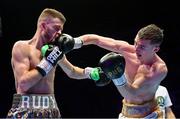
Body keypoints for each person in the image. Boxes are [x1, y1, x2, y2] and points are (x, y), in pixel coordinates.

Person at [7, 8, 110, 118]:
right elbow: (23, 84)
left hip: (51, 109)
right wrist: (49, 61)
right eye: (56, 28)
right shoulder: (22, 47)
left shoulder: (55, 50)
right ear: (43, 26)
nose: (59, 33)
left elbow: (72, 71)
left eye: (61, 30)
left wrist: (90, 73)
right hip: (25, 109)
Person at [60, 24, 176, 118]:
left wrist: (117, 76)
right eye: (135, 42)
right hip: (126, 112)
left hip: (150, 115)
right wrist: (75, 42)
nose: (135, 48)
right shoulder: (129, 50)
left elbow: (132, 94)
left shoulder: (158, 70)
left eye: (142, 47)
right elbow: (97, 39)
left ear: (155, 49)